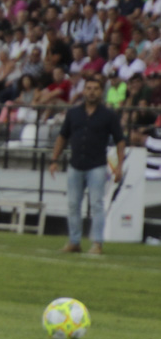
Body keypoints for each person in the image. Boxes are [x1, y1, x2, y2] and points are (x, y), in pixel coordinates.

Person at [49, 76, 125, 254]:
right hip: (75, 164)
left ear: (101, 92)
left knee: (97, 204)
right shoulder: (73, 113)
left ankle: (97, 243)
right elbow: (62, 136)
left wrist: (120, 166)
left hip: (97, 165)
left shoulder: (109, 115)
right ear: (83, 91)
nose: (92, 91)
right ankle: (74, 241)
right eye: (89, 88)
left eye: (95, 89)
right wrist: (54, 160)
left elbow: (120, 141)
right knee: (73, 204)